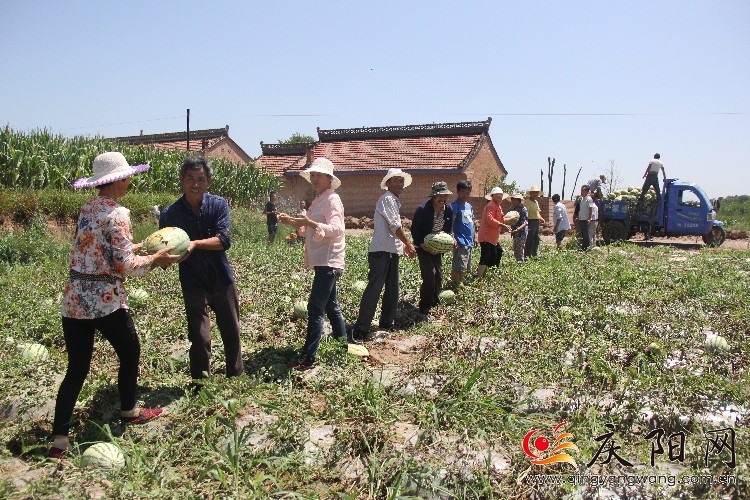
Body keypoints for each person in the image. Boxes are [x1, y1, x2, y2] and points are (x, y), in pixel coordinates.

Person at [49, 152, 181, 458]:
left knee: (77, 369)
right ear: (119, 179)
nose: (129, 180)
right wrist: (156, 259)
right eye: (127, 176)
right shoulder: (119, 213)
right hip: (105, 301)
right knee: (130, 351)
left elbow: (97, 249)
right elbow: (125, 266)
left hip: (74, 299)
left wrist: (138, 246)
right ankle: (129, 411)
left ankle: (58, 441)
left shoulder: (88, 208)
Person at [159, 156, 245, 385]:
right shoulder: (170, 214)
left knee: (231, 330)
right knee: (199, 335)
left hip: (221, 277)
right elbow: (164, 247)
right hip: (192, 279)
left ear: (209, 181)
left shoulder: (218, 205)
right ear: (181, 180)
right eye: (190, 179)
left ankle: (236, 376)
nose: (195, 184)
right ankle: (200, 382)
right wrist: (162, 260)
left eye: (200, 179)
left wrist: (195, 244)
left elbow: (224, 240)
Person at [279, 158, 346, 370]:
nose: (315, 179)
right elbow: (308, 228)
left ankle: (308, 357)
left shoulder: (332, 200)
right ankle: (342, 345)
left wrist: (309, 222)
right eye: (313, 176)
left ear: (329, 179)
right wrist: (293, 222)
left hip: (329, 261)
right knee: (330, 305)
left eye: (319, 176)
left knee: (315, 307)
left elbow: (337, 229)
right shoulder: (318, 200)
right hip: (323, 261)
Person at [349, 169, 416, 343]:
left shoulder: (394, 201)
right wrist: (408, 244)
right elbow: (395, 226)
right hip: (381, 251)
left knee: (392, 289)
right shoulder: (387, 199)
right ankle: (361, 329)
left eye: (401, 181)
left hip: (391, 251)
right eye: (395, 181)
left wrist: (402, 247)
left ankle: (386, 323)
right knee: (375, 289)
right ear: (388, 184)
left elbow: (393, 229)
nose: (399, 184)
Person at [411, 182, 454, 321]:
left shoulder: (449, 210)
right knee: (430, 274)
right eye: (439, 196)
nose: (442, 199)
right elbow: (414, 229)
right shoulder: (423, 209)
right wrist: (421, 244)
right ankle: (424, 308)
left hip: (437, 246)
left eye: (444, 196)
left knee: (439, 275)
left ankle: (434, 303)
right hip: (423, 246)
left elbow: (449, 229)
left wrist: (450, 239)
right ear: (434, 196)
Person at [476, 187, 510, 278]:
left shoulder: (498, 207)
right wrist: (501, 225)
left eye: (501, 196)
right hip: (486, 235)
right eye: (498, 196)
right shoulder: (490, 205)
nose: (500, 198)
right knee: (485, 256)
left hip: (493, 236)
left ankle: (489, 274)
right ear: (492, 197)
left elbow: (501, 219)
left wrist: (510, 219)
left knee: (497, 252)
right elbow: (490, 219)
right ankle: (479, 277)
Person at [449, 180, 477, 286]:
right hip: (460, 240)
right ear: (458, 192)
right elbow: (451, 222)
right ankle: (455, 285)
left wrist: (475, 236)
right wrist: (453, 236)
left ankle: (460, 283)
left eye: (468, 193)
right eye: (463, 192)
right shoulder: (455, 206)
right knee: (458, 265)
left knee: (464, 266)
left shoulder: (469, 206)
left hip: (468, 240)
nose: (466, 195)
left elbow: (472, 222)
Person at [523, 186, 545, 258]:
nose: (535, 194)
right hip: (530, 222)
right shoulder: (527, 202)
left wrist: (541, 218)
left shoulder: (536, 202)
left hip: (536, 222)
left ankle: (534, 254)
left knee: (536, 239)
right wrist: (526, 224)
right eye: (533, 193)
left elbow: (537, 212)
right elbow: (525, 213)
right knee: (529, 239)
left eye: (536, 193)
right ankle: (527, 256)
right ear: (530, 193)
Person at [508, 193, 529, 262]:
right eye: (512, 200)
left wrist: (517, 229)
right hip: (515, 232)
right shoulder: (512, 208)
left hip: (521, 232)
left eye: (514, 200)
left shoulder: (523, 209)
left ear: (518, 200)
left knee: (520, 250)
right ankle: (518, 263)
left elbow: (525, 222)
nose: (512, 201)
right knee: (515, 249)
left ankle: (520, 265)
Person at [577, 185, 595, 250]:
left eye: (582, 191)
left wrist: (589, 218)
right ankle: (584, 247)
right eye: (581, 191)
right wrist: (578, 217)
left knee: (586, 234)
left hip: (586, 219)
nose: (581, 192)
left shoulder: (589, 199)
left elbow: (590, 209)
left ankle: (587, 247)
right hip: (582, 218)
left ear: (587, 191)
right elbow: (581, 210)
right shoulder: (582, 200)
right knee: (583, 234)